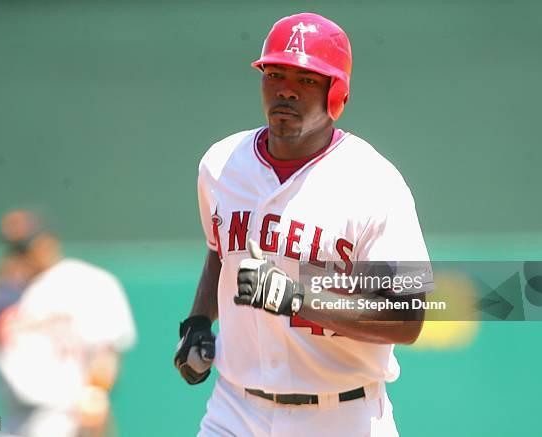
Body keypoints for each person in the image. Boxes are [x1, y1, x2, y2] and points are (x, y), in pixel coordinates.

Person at [174, 13, 433, 437]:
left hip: (342, 415)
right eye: (274, 73)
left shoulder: (374, 182)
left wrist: (296, 296)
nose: (286, 89)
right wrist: (199, 322)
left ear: (337, 95)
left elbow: (408, 316)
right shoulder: (221, 164)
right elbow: (220, 250)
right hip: (235, 410)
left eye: (307, 79)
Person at [0, 210, 137, 437]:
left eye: (24, 248)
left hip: (64, 415)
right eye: (13, 248)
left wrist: (95, 394)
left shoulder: (88, 281)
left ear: (48, 242)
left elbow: (106, 353)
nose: (19, 256)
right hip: (10, 418)